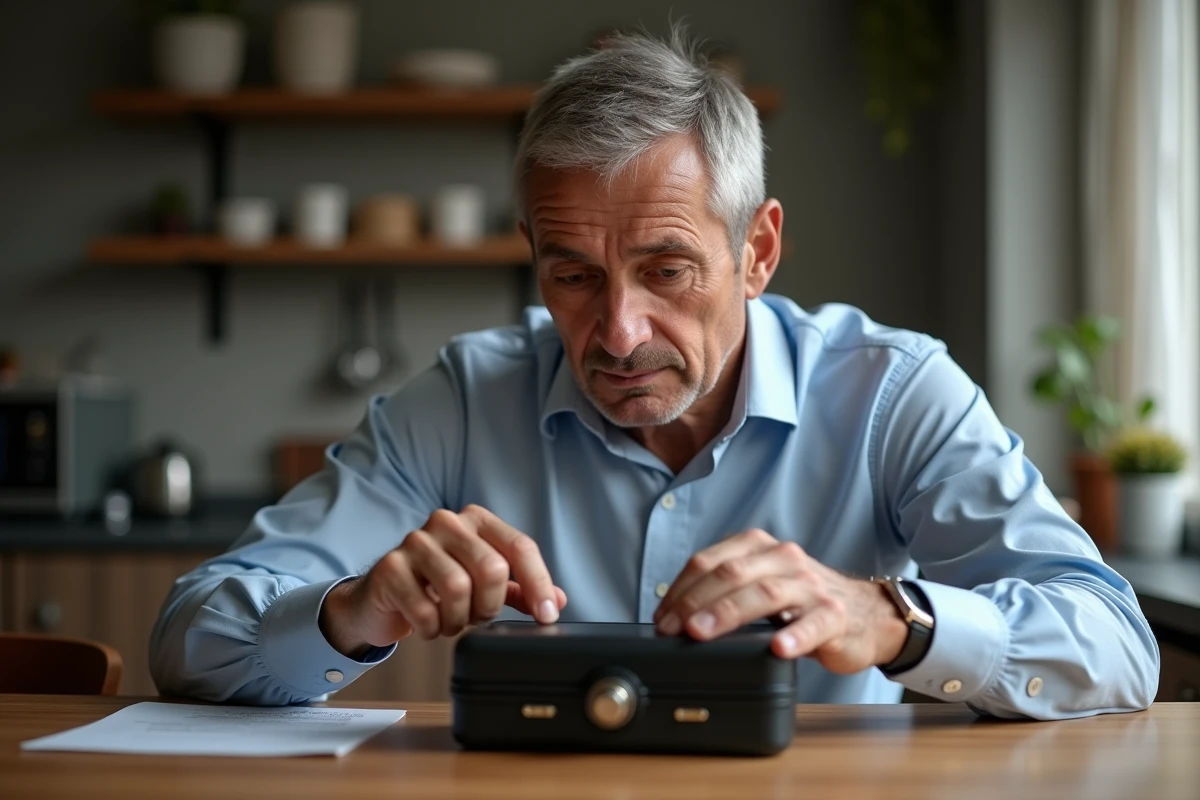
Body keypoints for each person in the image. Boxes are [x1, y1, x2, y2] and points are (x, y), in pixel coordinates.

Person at [150, 28, 1158, 719]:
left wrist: (891, 619)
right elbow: (193, 632)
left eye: (667, 270)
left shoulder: (892, 394)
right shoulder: (463, 399)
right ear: (532, 256)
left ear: (758, 251)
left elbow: (1115, 643)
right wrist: (350, 611)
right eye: (574, 275)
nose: (620, 332)